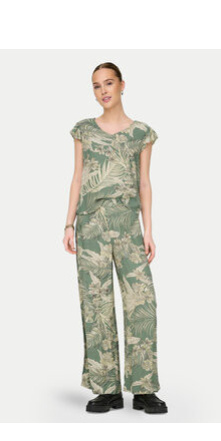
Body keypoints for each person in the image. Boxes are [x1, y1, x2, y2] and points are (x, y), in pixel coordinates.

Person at [63, 62, 168, 414]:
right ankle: (106, 388)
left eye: (108, 83)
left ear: (122, 85)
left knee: (142, 301)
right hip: (91, 225)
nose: (103, 91)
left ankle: (144, 388)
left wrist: (148, 230)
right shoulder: (84, 130)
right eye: (96, 86)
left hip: (128, 225)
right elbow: (77, 177)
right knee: (96, 304)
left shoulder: (141, 133)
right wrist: (68, 224)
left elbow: (144, 183)